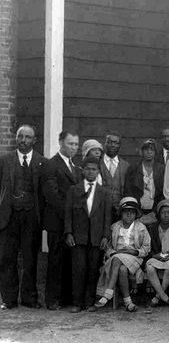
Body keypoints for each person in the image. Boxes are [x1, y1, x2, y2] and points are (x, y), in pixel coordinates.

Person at [0, 125, 46, 310]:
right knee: (6, 259)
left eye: (28, 137)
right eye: (20, 136)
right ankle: (9, 299)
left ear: (34, 140)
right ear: (16, 138)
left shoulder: (41, 162)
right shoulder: (4, 160)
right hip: (8, 217)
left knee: (30, 259)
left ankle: (29, 298)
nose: (23, 140)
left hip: (31, 217)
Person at [64, 157, 113, 313]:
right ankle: (77, 302)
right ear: (83, 170)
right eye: (88, 169)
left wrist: (105, 236)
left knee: (93, 270)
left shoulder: (104, 192)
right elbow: (68, 213)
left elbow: (107, 216)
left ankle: (90, 301)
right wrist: (69, 233)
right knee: (78, 269)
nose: (90, 172)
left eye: (94, 169)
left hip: (96, 237)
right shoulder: (74, 190)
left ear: (98, 171)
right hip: (78, 237)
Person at [43, 129, 81, 310]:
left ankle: (66, 297)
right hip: (57, 221)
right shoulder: (51, 165)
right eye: (70, 144)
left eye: (76, 144)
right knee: (56, 259)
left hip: (71, 222)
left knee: (69, 259)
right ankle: (52, 299)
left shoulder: (75, 166)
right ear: (60, 143)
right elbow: (53, 196)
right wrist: (71, 214)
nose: (74, 148)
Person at [95, 197, 151, 312]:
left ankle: (108, 292)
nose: (129, 214)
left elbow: (146, 249)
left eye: (132, 212)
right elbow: (108, 247)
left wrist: (134, 251)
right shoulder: (115, 227)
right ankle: (128, 302)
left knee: (116, 259)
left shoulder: (141, 228)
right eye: (126, 211)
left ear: (136, 214)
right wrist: (114, 253)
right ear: (121, 213)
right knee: (122, 269)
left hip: (134, 257)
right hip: (117, 256)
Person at [145, 199, 169, 307]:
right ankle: (165, 298)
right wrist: (154, 255)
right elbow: (147, 248)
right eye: (163, 213)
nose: (166, 215)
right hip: (157, 256)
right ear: (158, 214)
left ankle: (157, 297)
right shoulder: (151, 228)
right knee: (149, 268)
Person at [102, 131, 130, 210]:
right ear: (105, 143)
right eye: (109, 142)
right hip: (100, 209)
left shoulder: (125, 166)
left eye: (116, 143)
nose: (112, 145)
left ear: (120, 145)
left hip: (119, 209)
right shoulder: (97, 163)